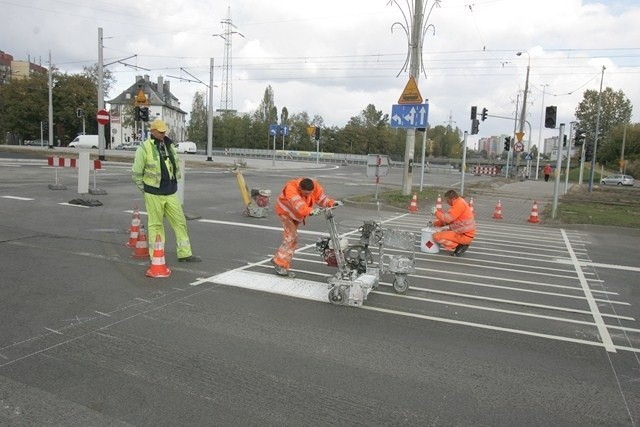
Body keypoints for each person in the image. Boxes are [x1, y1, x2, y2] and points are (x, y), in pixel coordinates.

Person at [132, 119, 201, 263]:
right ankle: (157, 255)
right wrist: (144, 189)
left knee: (180, 222)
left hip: (170, 191)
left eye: (164, 131)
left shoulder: (169, 145)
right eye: (160, 131)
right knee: (156, 225)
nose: (163, 134)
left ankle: (185, 253)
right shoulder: (144, 148)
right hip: (153, 192)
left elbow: (172, 166)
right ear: (152, 131)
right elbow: (136, 172)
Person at [272, 177, 342, 276]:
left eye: (310, 193)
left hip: (296, 214)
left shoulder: (315, 187)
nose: (308, 195)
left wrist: (331, 203)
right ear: (300, 189)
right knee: (291, 237)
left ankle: (282, 263)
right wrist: (310, 211)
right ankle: (279, 262)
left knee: (292, 239)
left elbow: (321, 198)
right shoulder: (291, 189)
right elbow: (299, 205)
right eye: (306, 194)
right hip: (286, 212)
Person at [431, 189, 476, 257]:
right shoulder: (459, 202)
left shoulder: (459, 205)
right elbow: (449, 221)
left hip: (464, 235)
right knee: (441, 231)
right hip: (464, 233)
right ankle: (460, 245)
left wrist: (436, 212)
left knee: (436, 236)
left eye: (447, 200)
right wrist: (435, 224)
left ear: (452, 199)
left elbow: (447, 219)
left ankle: (459, 246)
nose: (447, 202)